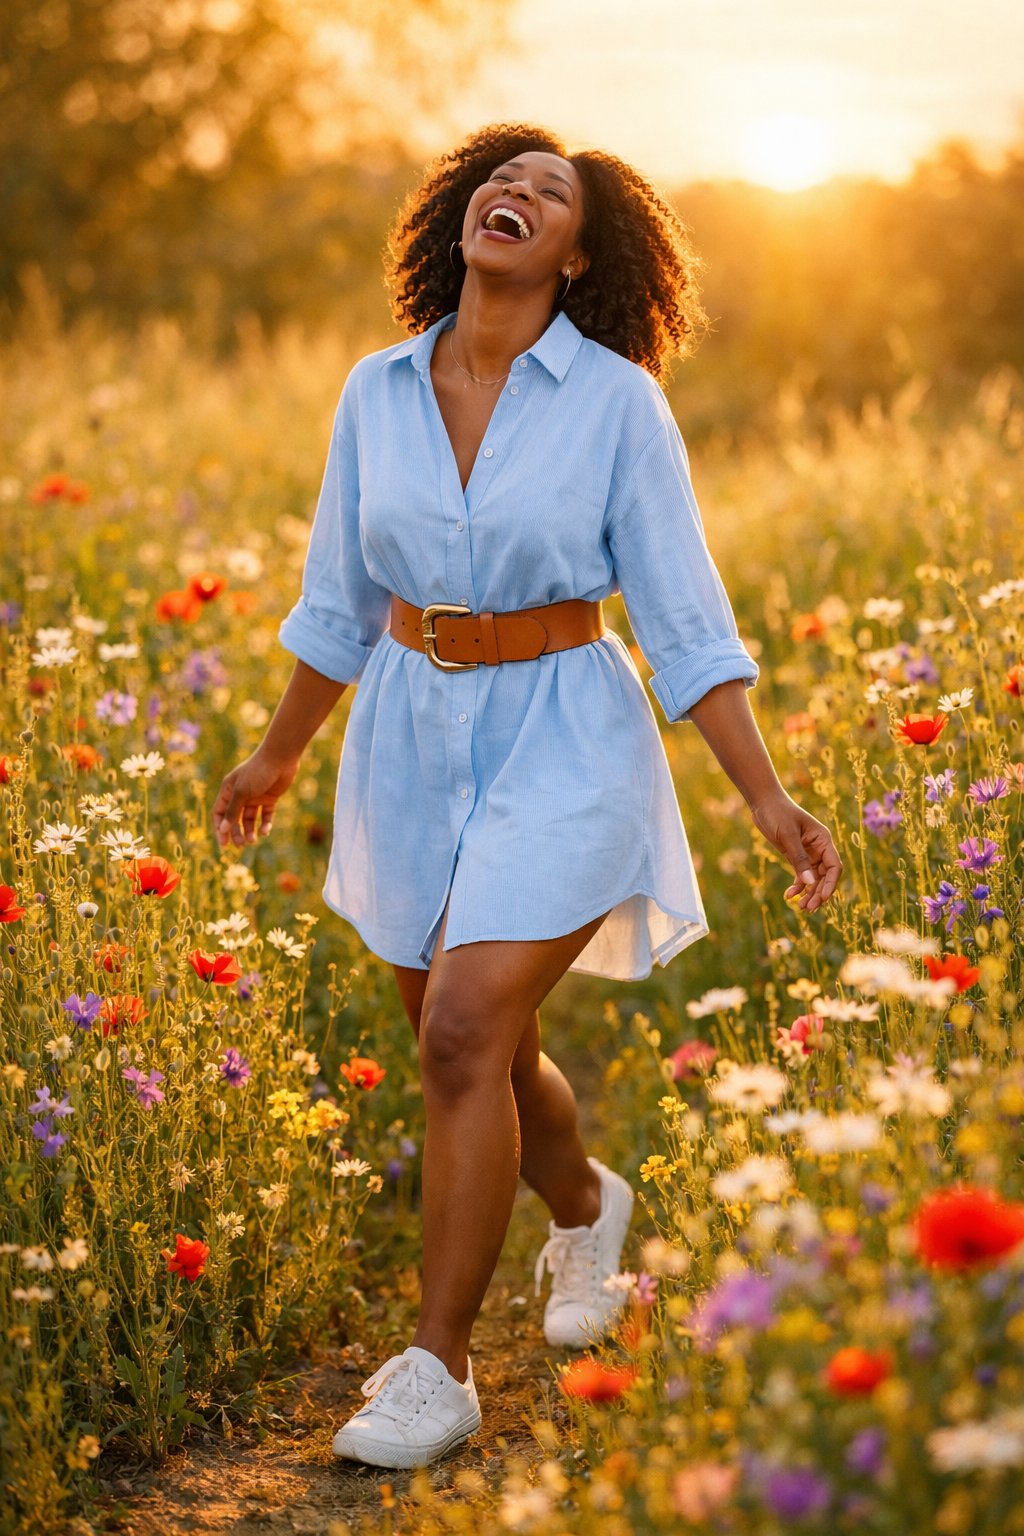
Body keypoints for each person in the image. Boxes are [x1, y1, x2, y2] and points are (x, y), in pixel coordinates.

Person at [212, 123, 842, 1471]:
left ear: (577, 254)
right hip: (407, 740)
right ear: (460, 215)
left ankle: (436, 1372)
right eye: (502, 178)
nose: (520, 194)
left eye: (552, 195)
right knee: (475, 1045)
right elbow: (339, 600)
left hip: (567, 735)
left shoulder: (617, 402)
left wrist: (771, 802)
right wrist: (276, 755)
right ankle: (587, 1204)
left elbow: (683, 618)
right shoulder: (375, 391)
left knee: (458, 1032)